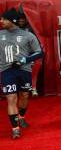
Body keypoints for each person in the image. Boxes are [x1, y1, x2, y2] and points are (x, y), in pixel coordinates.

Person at [0, 8, 44, 139]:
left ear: (12, 21)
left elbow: (39, 52)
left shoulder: (28, 35)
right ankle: (15, 128)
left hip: (24, 70)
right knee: (11, 98)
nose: (1, 21)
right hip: (6, 71)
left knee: (24, 95)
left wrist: (25, 60)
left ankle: (21, 116)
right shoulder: (0, 34)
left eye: (4, 19)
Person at [17, 12, 42, 97]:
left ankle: (33, 88)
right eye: (20, 20)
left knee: (35, 69)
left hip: (31, 53)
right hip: (18, 53)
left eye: (23, 19)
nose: (21, 21)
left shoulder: (31, 28)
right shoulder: (13, 29)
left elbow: (37, 42)